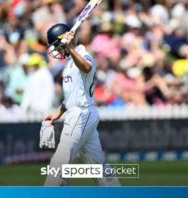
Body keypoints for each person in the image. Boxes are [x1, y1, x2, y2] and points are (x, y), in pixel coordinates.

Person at [44, 23, 120, 186]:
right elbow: (74, 93)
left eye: (56, 46)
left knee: (59, 161)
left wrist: (70, 48)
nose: (56, 51)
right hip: (77, 113)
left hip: (81, 114)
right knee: (97, 165)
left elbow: (86, 67)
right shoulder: (70, 60)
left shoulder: (82, 54)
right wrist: (60, 110)